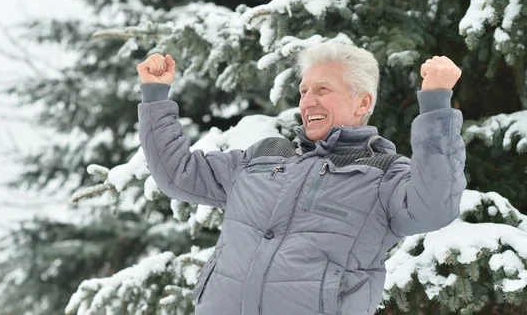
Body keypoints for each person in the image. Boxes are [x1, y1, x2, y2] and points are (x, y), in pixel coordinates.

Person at [136, 43, 466, 315]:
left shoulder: (383, 175)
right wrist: (156, 97)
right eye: (304, 90)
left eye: (323, 89)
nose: (307, 101)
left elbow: (434, 208)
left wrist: (436, 108)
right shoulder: (263, 155)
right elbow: (177, 175)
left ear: (362, 101)